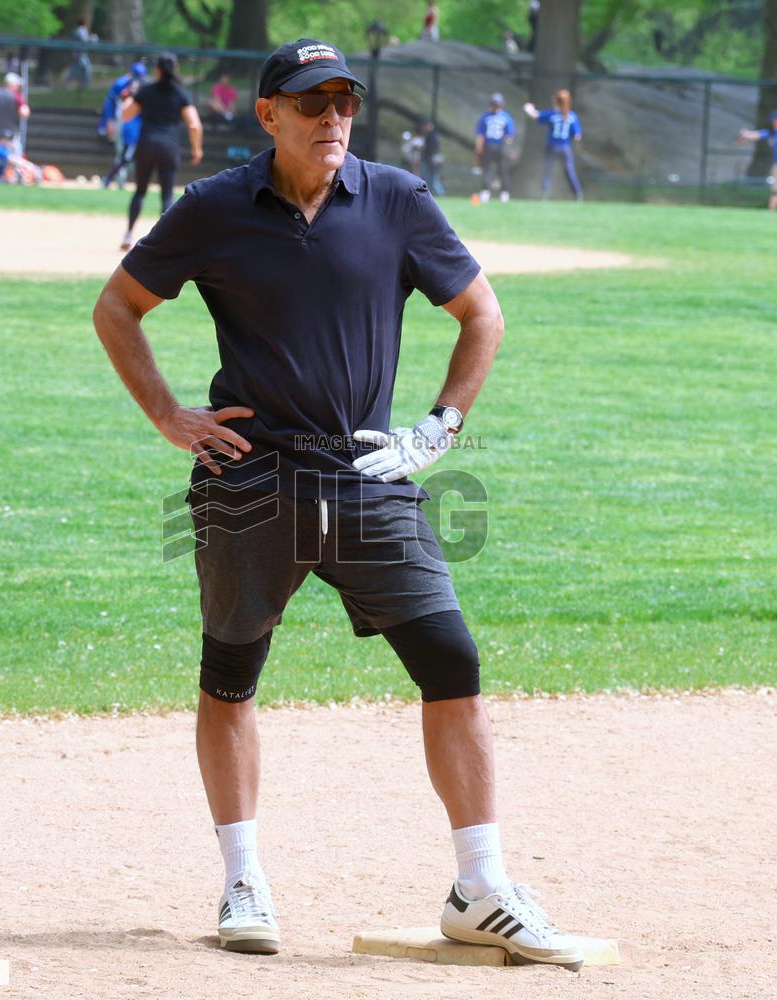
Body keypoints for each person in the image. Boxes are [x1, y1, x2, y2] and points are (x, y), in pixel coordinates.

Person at [93, 36, 585, 970]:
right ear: (268, 114)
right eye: (311, 102)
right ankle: (244, 880)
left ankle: (479, 890)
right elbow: (117, 306)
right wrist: (166, 414)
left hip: (368, 477)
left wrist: (438, 430)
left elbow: (481, 313)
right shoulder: (213, 207)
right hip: (250, 478)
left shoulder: (397, 199)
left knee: (451, 659)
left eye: (344, 101)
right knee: (231, 673)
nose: (332, 117)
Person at [118, 52, 203, 251]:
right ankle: (165, 240)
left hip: (146, 144)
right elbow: (194, 125)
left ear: (157, 70)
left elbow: (125, 115)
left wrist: (129, 95)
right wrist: (196, 149)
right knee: (167, 195)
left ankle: (128, 234)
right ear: (176, 69)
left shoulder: (146, 91)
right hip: (168, 146)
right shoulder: (181, 93)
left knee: (140, 191)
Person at [523, 90, 583, 200]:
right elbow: (577, 135)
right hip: (565, 148)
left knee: (548, 170)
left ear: (556, 102)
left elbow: (535, 116)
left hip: (552, 147)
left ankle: (544, 194)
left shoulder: (552, 115)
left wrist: (529, 108)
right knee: (569, 171)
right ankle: (578, 194)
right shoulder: (572, 116)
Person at [736, 109, 777, 211]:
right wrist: (746, 134)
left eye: (776, 120)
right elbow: (761, 134)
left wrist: (746, 134)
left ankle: (770, 213)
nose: (773, 122)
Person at [474, 92, 515, 203]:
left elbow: (509, 135)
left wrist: (507, 145)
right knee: (488, 169)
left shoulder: (493, 117)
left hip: (499, 146)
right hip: (491, 145)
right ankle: (486, 192)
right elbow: (481, 135)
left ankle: (504, 193)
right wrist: (479, 147)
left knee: (502, 170)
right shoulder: (492, 116)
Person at [98, 61, 147, 141]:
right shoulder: (121, 83)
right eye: (137, 76)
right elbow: (110, 102)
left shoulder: (145, 85)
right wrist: (110, 120)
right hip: (119, 116)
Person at [0, 72, 30, 152]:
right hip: (10, 132)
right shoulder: (17, 95)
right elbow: (24, 112)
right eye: (18, 85)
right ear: (12, 84)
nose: (19, 87)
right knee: (14, 153)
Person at [417, 116, 444, 195]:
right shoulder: (430, 135)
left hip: (430, 161)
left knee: (432, 180)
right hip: (429, 161)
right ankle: (435, 194)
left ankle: (440, 194)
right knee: (432, 179)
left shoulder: (431, 136)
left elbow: (432, 150)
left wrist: (423, 149)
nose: (423, 128)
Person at [66, 18, 95, 90]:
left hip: (81, 54)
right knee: (85, 69)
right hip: (79, 54)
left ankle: (80, 84)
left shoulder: (79, 30)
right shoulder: (79, 30)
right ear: (83, 23)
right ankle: (82, 85)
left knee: (79, 69)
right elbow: (84, 40)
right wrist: (92, 38)